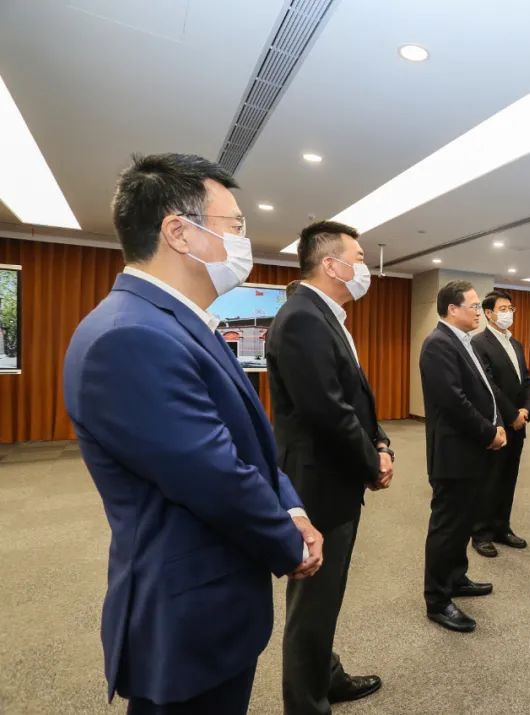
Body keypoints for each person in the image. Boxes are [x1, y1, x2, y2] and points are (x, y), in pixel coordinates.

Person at [63, 153, 323, 713]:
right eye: (235, 226)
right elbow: (214, 476)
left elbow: (248, 440)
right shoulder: (130, 337)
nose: (244, 242)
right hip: (185, 616)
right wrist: (289, 544)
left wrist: (292, 508)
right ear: (179, 232)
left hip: (213, 598)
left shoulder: (177, 322)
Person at [267, 220, 390, 713]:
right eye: (358, 258)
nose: (365, 268)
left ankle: (326, 676)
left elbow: (353, 397)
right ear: (331, 265)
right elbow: (327, 412)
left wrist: (381, 442)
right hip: (317, 483)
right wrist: (371, 463)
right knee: (313, 603)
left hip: (335, 474)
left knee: (327, 595)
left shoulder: (323, 315)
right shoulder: (302, 318)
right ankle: (306, 703)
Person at [420, 281, 507, 632]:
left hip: (471, 452)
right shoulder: (438, 344)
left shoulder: (463, 341)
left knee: (462, 522)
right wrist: (488, 433)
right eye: (472, 305)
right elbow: (454, 402)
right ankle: (437, 599)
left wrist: (497, 424)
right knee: (447, 526)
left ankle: (456, 578)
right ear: (452, 309)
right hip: (454, 454)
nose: (478, 311)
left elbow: (484, 391)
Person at [471, 289, 530, 558]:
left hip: (519, 422)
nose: (509, 313)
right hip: (497, 423)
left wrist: (526, 410)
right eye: (503, 309)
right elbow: (488, 385)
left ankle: (501, 527)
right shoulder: (478, 343)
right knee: (490, 479)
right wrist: (511, 415)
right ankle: (480, 533)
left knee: (509, 478)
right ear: (488, 313)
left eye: (511, 309)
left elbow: (526, 380)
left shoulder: (516, 343)